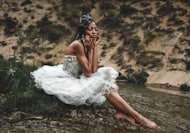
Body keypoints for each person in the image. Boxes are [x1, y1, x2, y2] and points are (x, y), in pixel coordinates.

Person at [31, 14, 159, 129]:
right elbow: (88, 73)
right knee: (104, 85)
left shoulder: (87, 43)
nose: (94, 32)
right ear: (83, 31)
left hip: (80, 76)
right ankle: (140, 119)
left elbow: (94, 69)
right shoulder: (78, 45)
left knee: (108, 74)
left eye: (95, 29)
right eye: (90, 29)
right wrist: (91, 50)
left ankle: (120, 112)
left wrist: (94, 47)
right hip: (68, 79)